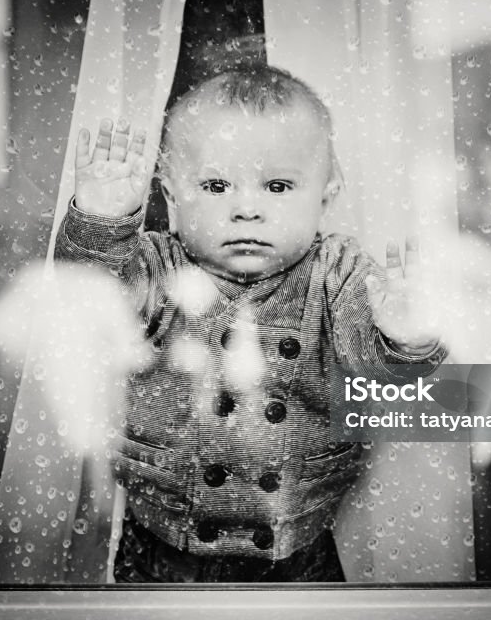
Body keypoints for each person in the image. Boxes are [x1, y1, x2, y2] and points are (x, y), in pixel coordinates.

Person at [54, 64, 446, 582]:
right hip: (163, 541)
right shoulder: (157, 264)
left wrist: (404, 336)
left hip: (295, 541)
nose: (246, 209)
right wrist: (102, 222)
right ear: (171, 195)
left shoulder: (339, 273)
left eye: (278, 186)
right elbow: (86, 305)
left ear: (325, 196)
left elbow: (378, 378)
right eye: (216, 185)